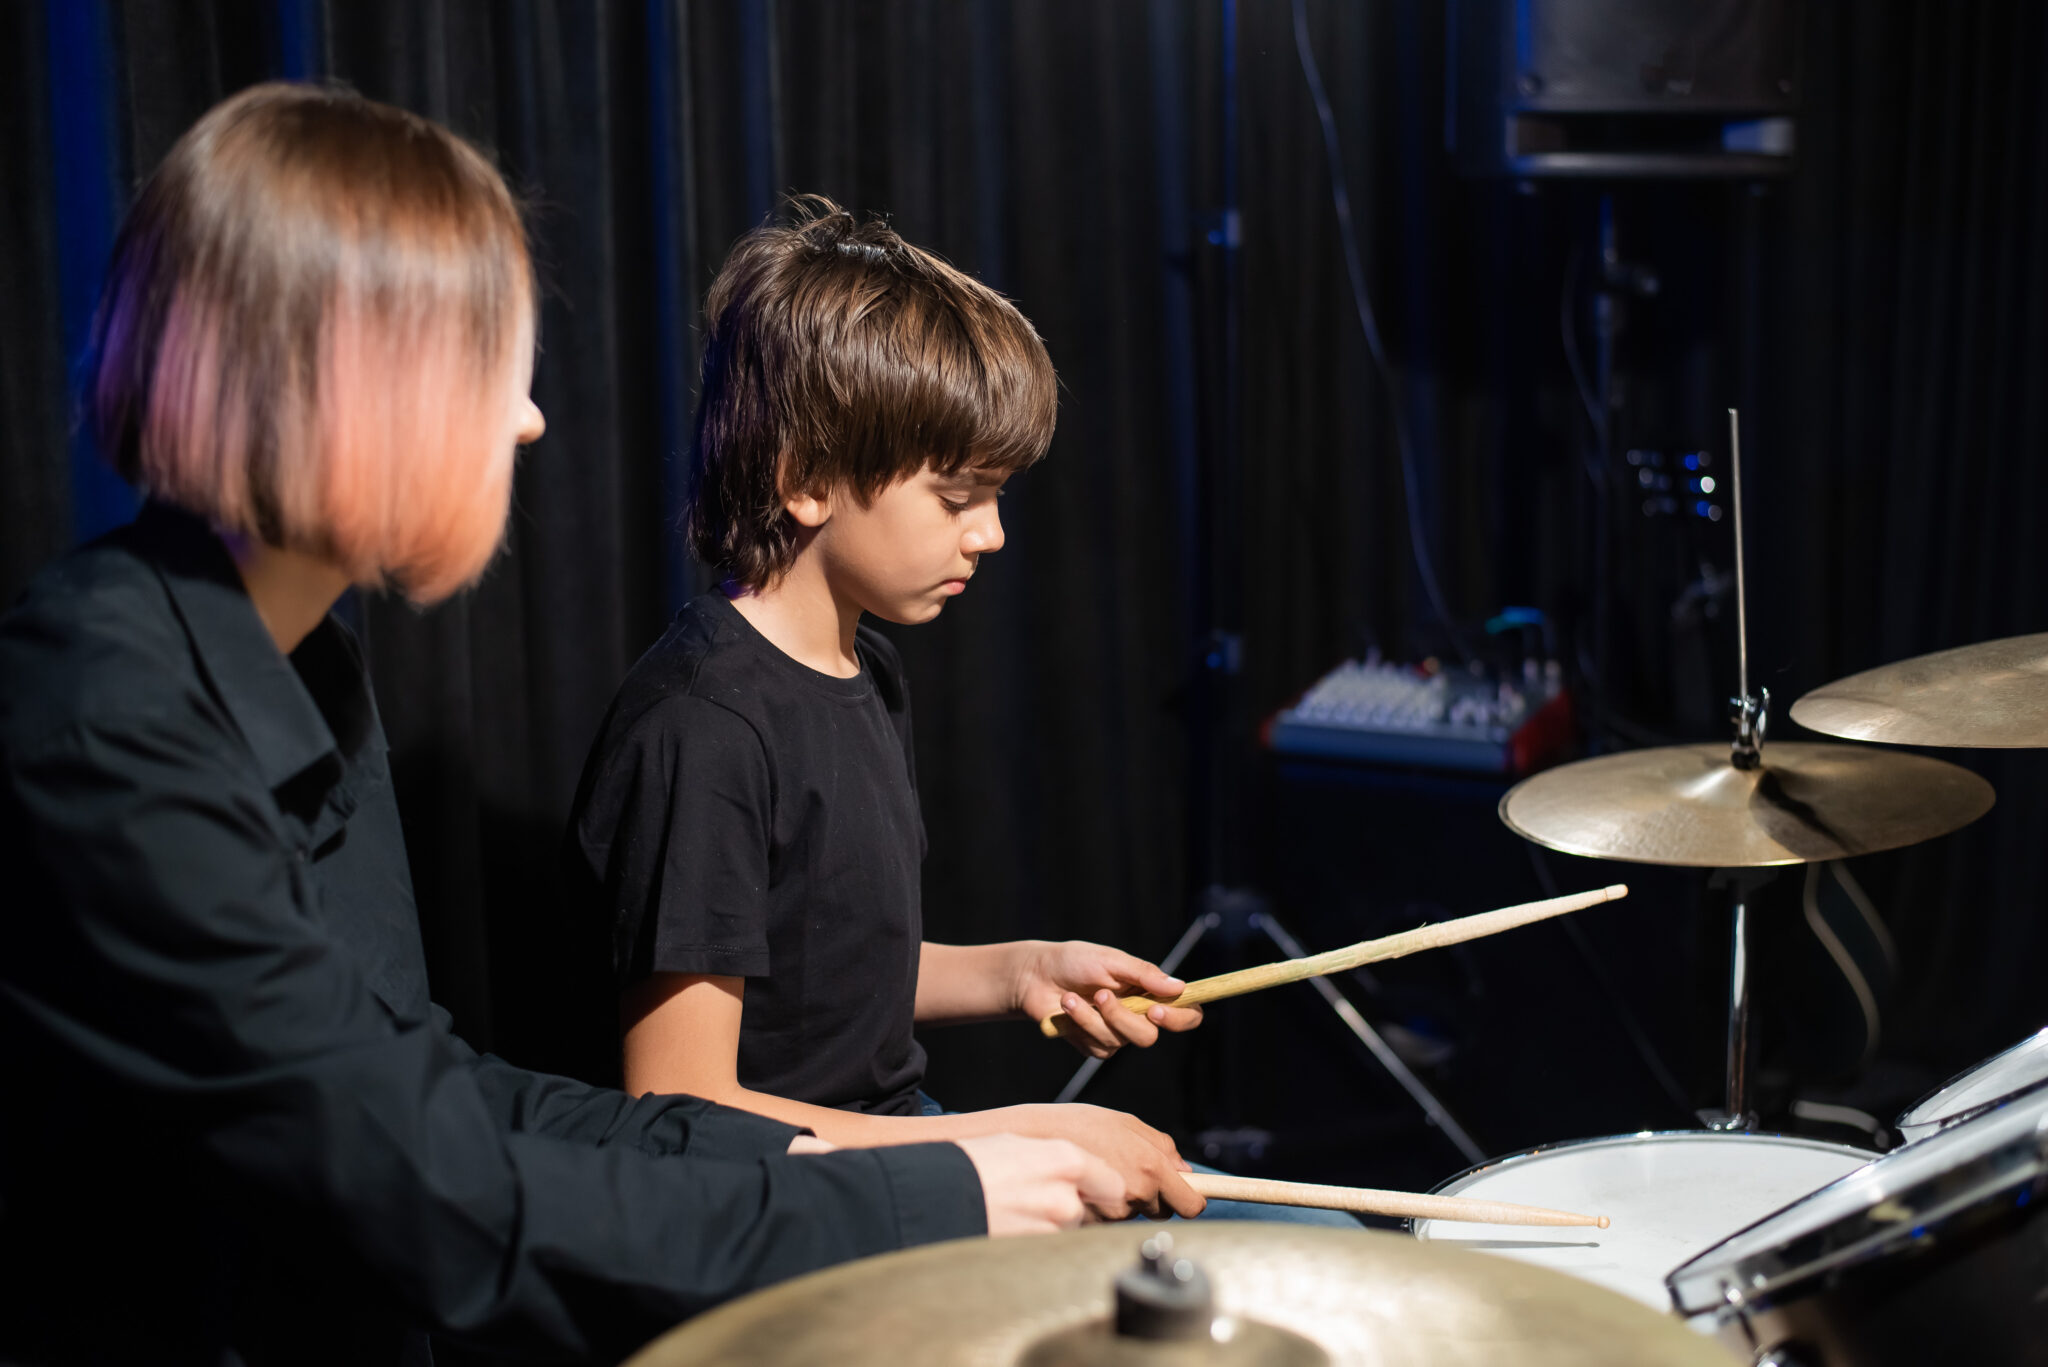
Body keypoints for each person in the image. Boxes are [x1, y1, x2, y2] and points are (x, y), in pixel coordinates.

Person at [0, 85, 1127, 1367]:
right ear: (348, 386)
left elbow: (441, 1093)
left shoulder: (306, 664)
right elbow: (420, 1181)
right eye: (493, 367)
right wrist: (931, 1187)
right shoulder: (103, 704)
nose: (529, 417)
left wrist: (965, 1155)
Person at [564, 201, 1346, 1226]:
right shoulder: (701, 729)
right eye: (956, 496)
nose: (992, 535)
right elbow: (684, 1106)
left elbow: (827, 978)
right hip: (787, 1219)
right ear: (803, 480)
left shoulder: (865, 668)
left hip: (897, 1155)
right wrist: (1017, 1137)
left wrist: (1026, 970)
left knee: (1322, 1251)